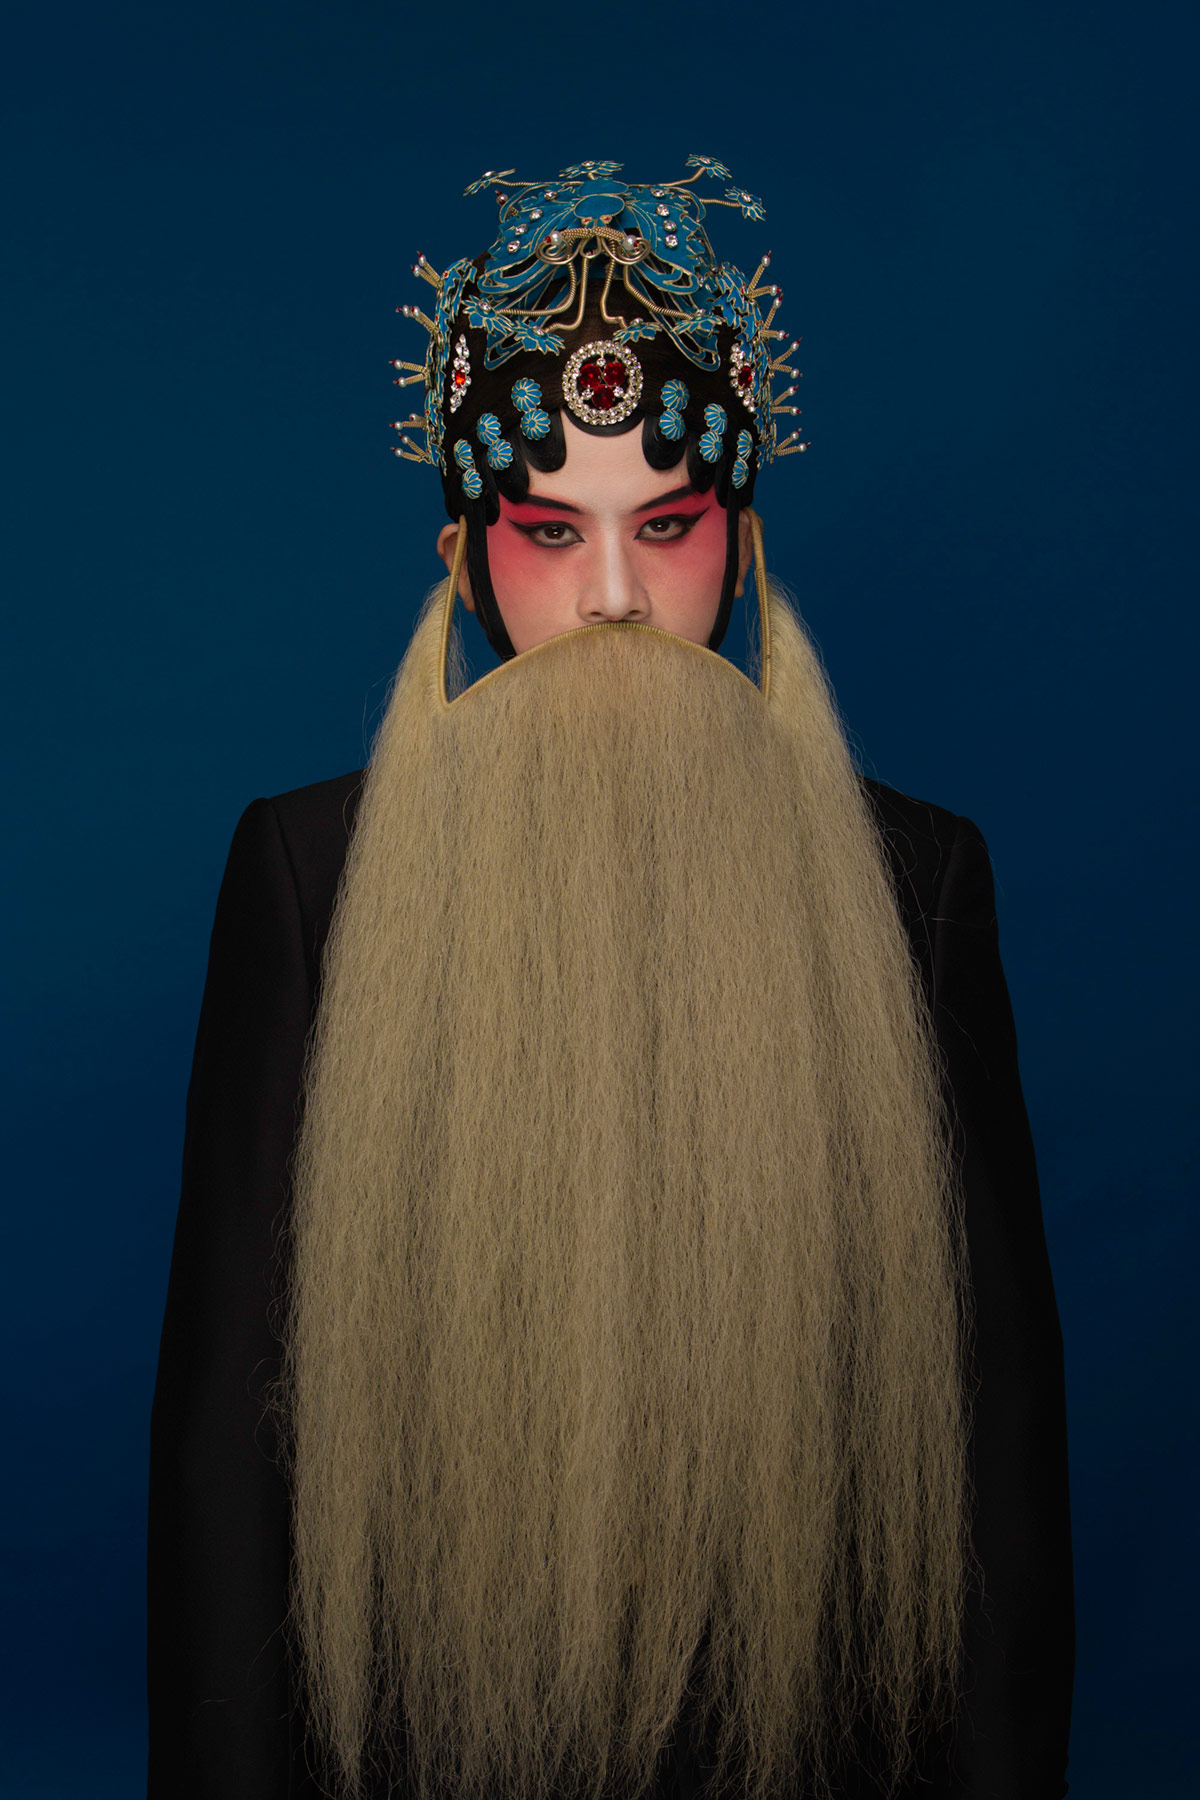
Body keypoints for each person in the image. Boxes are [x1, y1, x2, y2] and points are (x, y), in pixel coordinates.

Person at [147, 158, 1075, 1800]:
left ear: (742, 542)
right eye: (547, 532)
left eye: (668, 524)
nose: (617, 600)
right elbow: (228, 1448)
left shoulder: (919, 884)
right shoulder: (308, 879)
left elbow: (997, 1456)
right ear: (461, 556)